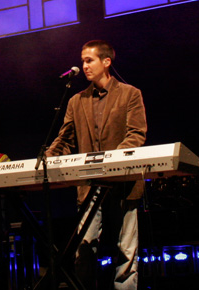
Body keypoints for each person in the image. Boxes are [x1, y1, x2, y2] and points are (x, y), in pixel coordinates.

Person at [46, 40, 147, 289]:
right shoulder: (76, 101)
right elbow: (64, 139)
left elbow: (136, 135)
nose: (84, 66)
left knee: (126, 249)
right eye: (83, 60)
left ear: (106, 62)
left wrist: (111, 161)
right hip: (89, 185)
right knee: (84, 247)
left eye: (89, 60)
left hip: (124, 183)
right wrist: (45, 160)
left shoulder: (130, 94)